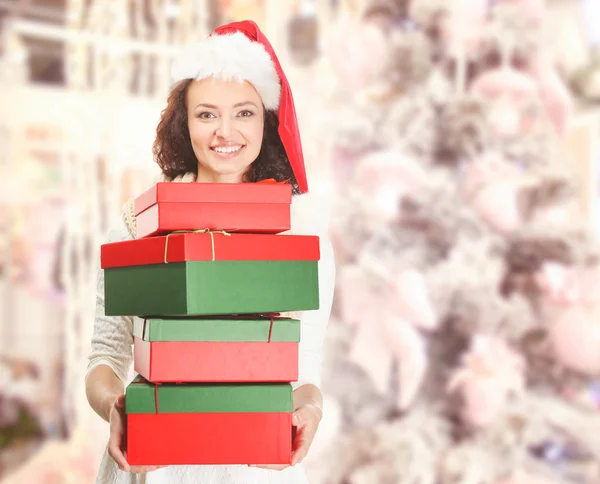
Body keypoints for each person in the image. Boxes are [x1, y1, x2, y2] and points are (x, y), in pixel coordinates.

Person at [85, 20, 335, 484]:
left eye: (244, 113)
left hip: (254, 466)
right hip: (154, 463)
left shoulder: (302, 230)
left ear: (267, 120)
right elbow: (104, 357)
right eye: (206, 114)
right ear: (185, 122)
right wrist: (114, 408)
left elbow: (306, 369)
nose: (225, 132)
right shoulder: (138, 220)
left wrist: (311, 410)